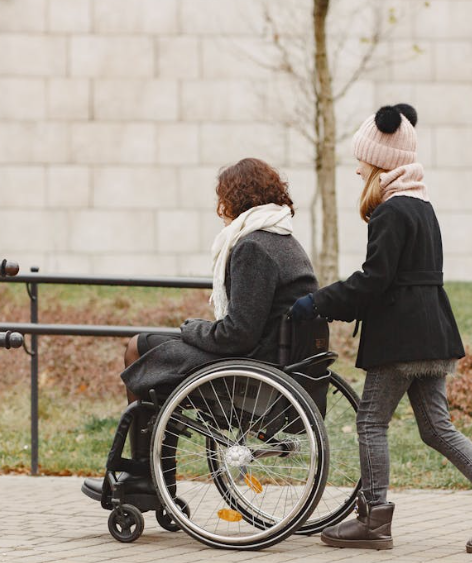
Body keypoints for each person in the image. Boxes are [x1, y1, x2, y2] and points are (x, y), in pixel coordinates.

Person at [290, 104, 472, 553]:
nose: (357, 167)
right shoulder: (422, 206)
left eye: (362, 158)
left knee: (370, 422)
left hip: (401, 338)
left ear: (382, 159)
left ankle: (373, 520)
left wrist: (317, 303)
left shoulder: (390, 211)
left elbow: (373, 281)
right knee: (436, 428)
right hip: (433, 332)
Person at [82, 157, 318, 500]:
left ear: (235, 198)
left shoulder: (253, 246)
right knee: (152, 349)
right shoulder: (283, 239)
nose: (218, 207)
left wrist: (192, 328)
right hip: (275, 363)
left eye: (221, 197)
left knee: (137, 346)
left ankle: (146, 478)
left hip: (251, 371)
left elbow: (238, 335)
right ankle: (153, 477)